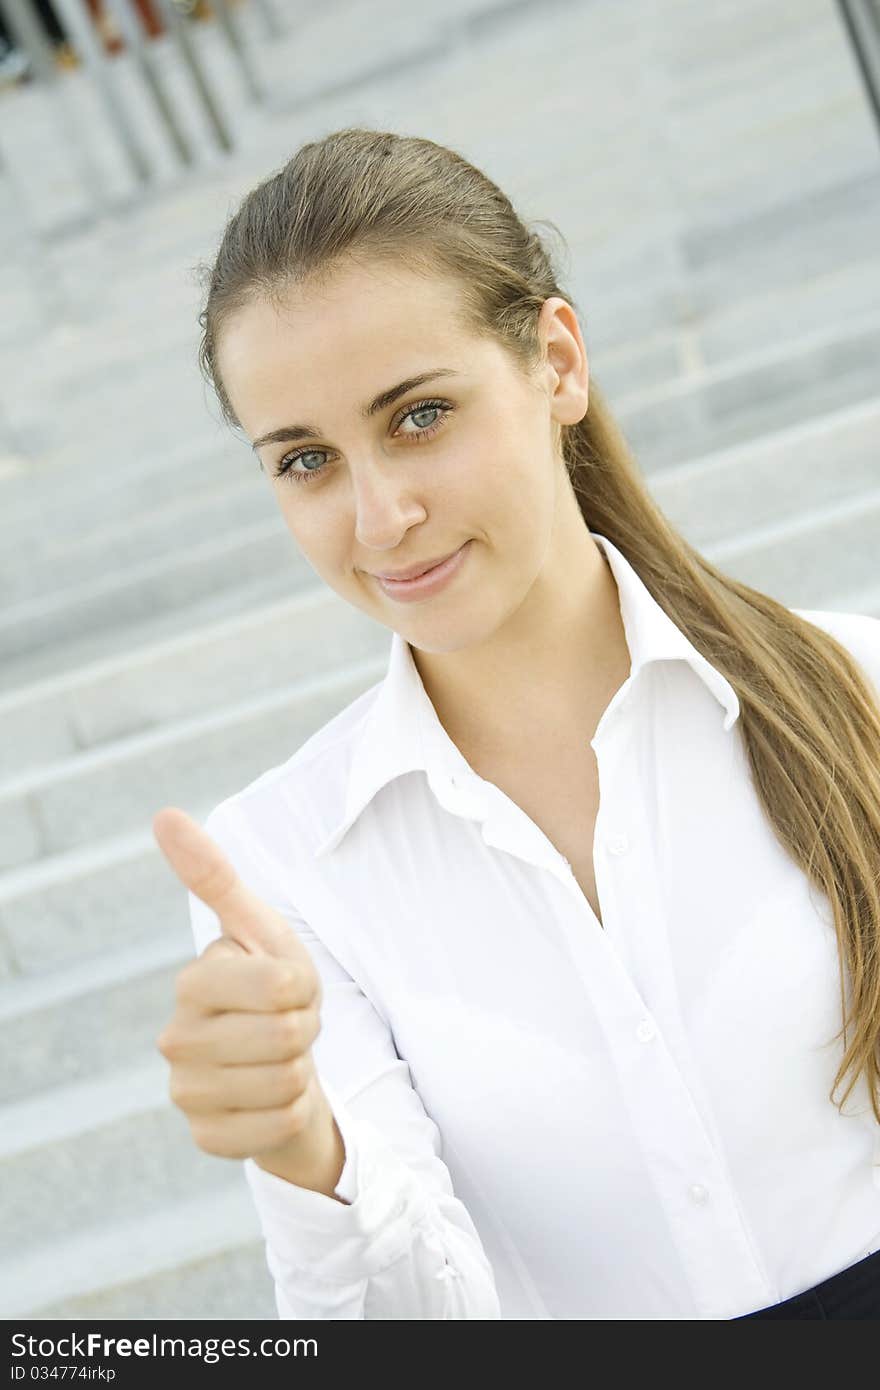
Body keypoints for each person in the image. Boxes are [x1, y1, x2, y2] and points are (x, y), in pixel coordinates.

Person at [153, 128, 880, 1320]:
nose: (380, 516)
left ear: (556, 361)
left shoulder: (849, 683)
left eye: (420, 415)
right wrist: (308, 1155)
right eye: (304, 460)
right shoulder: (279, 869)